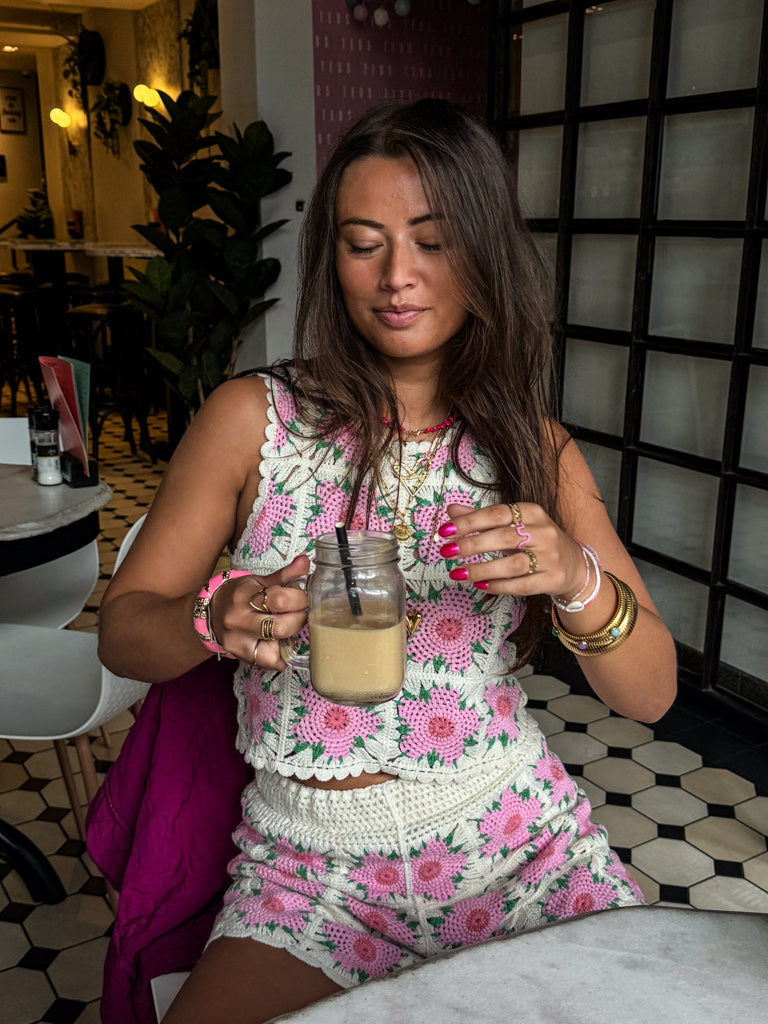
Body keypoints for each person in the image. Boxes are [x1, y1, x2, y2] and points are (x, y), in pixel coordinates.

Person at [98, 98, 677, 1023]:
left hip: (514, 843)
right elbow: (124, 635)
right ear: (331, 256)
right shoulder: (252, 419)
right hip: (310, 867)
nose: (397, 276)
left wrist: (576, 579)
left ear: (483, 252)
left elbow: (650, 695)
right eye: (364, 241)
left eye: (433, 240)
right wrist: (217, 614)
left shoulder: (536, 449)